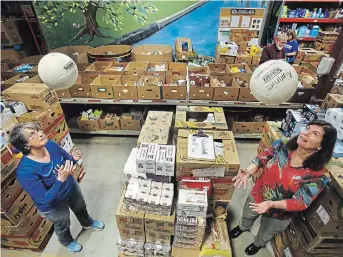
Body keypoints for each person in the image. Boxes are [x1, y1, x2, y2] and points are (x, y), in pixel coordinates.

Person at [230, 120, 337, 256]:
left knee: (266, 231)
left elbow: (301, 202)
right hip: (259, 194)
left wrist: (271, 204)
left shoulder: (319, 175)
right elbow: (263, 157)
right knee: (247, 214)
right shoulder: (282, 145)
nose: (305, 133)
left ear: (322, 146)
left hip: (280, 213)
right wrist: (249, 170)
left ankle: (257, 244)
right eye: (307, 128)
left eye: (314, 134)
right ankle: (243, 227)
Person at [10, 122, 105, 254]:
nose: (40, 133)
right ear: (25, 145)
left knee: (80, 206)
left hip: (70, 187)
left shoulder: (51, 145)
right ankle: (67, 241)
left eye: (38, 129)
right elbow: (44, 200)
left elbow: (67, 160)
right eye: (32, 134)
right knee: (63, 223)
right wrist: (60, 179)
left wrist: (74, 159)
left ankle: (87, 222)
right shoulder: (25, 171)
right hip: (53, 204)